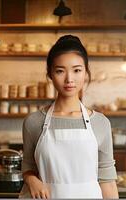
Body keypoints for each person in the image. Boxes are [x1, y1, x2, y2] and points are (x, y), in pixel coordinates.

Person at [19, 35, 119, 199]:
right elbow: (28, 166)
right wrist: (32, 180)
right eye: (60, 71)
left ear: (86, 73)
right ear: (50, 74)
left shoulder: (100, 123)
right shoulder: (34, 122)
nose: (69, 79)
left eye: (77, 70)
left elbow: (107, 180)